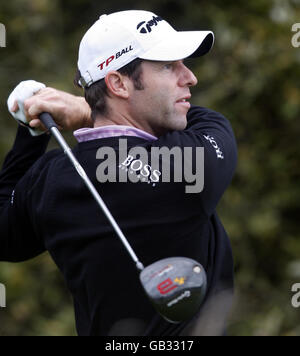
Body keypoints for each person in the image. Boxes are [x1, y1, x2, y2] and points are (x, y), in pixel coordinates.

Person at [0, 10, 237, 336]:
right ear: (118, 83)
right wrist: (84, 111)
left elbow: (5, 238)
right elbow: (210, 123)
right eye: (168, 66)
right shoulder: (189, 164)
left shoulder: (50, 179)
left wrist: (31, 133)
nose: (189, 77)